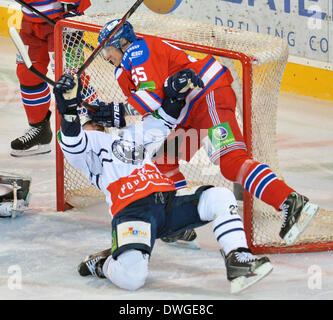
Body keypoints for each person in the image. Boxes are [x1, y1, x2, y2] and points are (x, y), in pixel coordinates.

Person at [91, 19, 319, 246]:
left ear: (121, 42)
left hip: (207, 95)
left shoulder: (137, 50)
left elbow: (152, 99)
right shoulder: (123, 70)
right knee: (162, 160)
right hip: (186, 113)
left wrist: (118, 111)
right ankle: (177, 222)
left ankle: (290, 201)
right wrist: (118, 114)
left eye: (108, 49)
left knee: (231, 162)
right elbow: (154, 110)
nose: (107, 56)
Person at [53, 73, 273, 294]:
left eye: (95, 124)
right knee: (132, 278)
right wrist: (69, 109)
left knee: (220, 196)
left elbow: (161, 121)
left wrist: (176, 95)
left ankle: (238, 258)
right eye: (88, 125)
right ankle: (103, 264)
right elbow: (72, 139)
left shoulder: (127, 136)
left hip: (167, 200)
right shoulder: (85, 153)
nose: (94, 127)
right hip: (133, 212)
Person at [10, 0, 92, 157]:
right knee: (27, 74)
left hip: (60, 18)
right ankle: (39, 129)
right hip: (30, 20)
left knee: (70, 78)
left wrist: (73, 7)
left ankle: (87, 127)